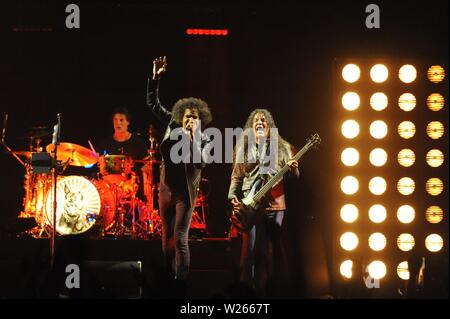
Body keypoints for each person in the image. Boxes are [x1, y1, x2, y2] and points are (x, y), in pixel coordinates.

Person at [146, 56, 213, 295]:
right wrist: (155, 77)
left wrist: (194, 137)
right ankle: (167, 276)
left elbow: (201, 161)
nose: (189, 119)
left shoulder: (205, 139)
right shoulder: (172, 126)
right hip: (166, 190)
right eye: (187, 116)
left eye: (194, 117)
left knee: (181, 236)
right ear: (180, 118)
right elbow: (153, 104)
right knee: (166, 234)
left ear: (200, 121)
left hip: (185, 193)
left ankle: (181, 283)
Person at [228, 108, 299, 298]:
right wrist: (232, 196)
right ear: (251, 127)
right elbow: (236, 176)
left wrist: (293, 169)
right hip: (250, 204)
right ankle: (246, 292)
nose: (260, 122)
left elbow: (293, 177)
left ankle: (268, 291)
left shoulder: (282, 147)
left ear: (269, 126)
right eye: (256, 120)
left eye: (264, 120)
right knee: (249, 249)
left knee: (268, 250)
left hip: (275, 206)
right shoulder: (244, 147)